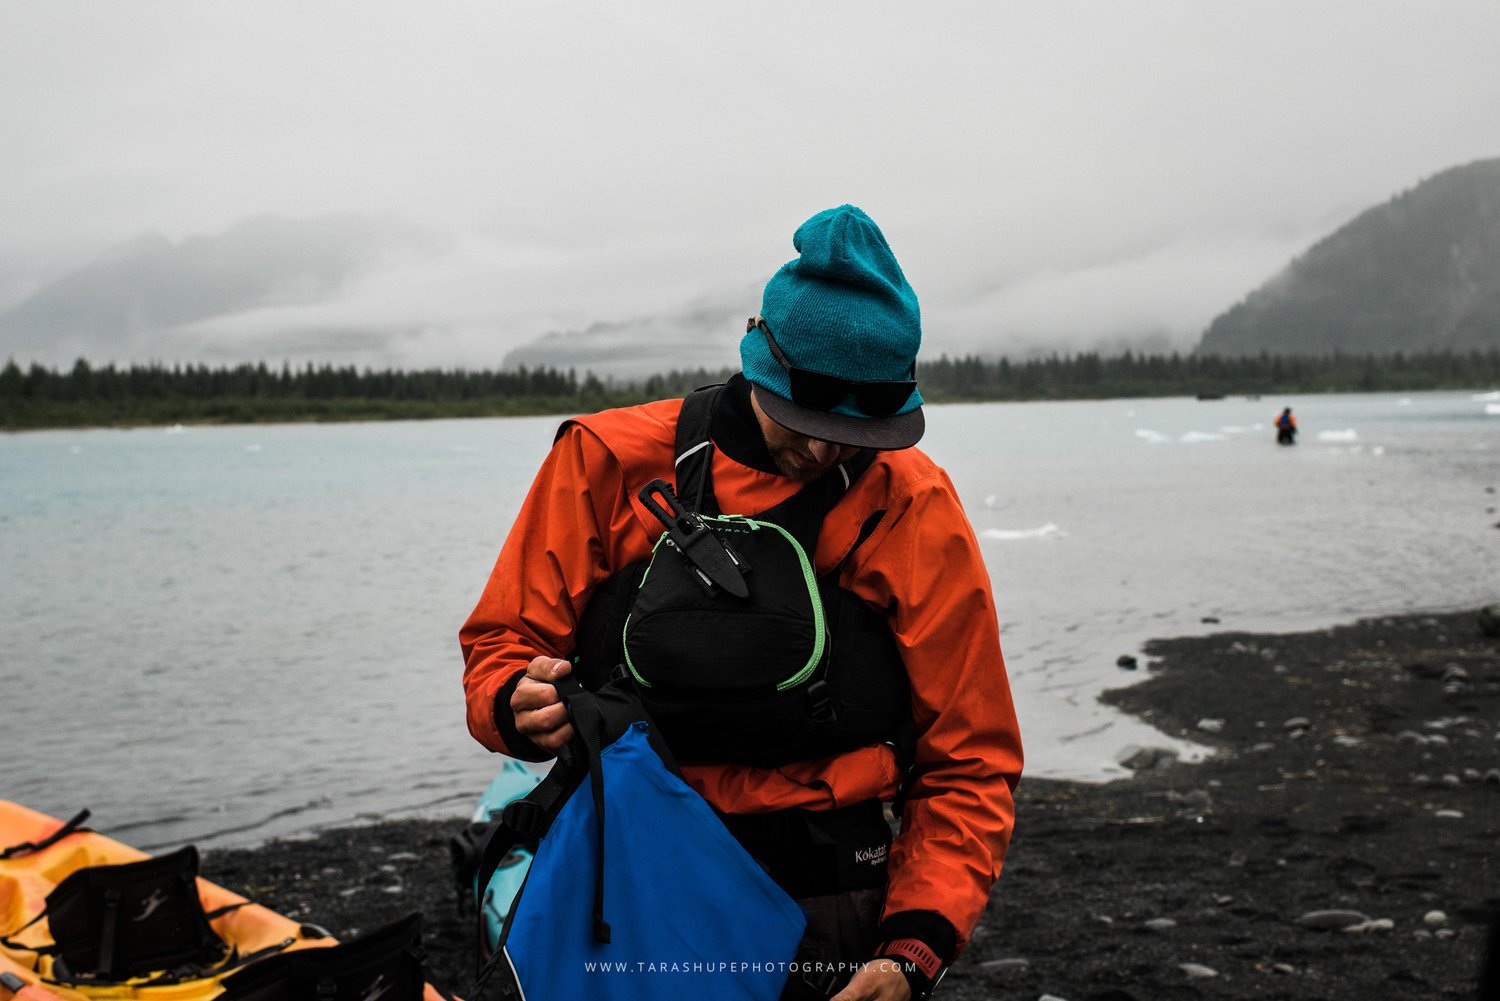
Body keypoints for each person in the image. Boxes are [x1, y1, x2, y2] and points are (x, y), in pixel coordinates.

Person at [460, 205, 1023, 1001]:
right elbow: (503, 641)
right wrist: (514, 702)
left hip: (830, 901)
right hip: (631, 884)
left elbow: (969, 757)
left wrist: (916, 944)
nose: (826, 449)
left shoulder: (915, 504)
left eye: (859, 430)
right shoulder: (607, 461)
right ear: (761, 356)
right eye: (808, 417)